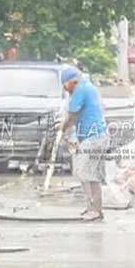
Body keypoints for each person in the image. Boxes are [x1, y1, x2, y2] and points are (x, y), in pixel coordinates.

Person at [59, 66, 108, 221]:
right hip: (96, 137)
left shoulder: (80, 90)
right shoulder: (87, 87)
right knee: (89, 173)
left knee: (87, 173)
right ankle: (92, 207)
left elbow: (72, 115)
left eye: (65, 85)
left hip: (93, 138)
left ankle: (95, 210)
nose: (65, 89)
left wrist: (62, 129)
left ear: (71, 81)